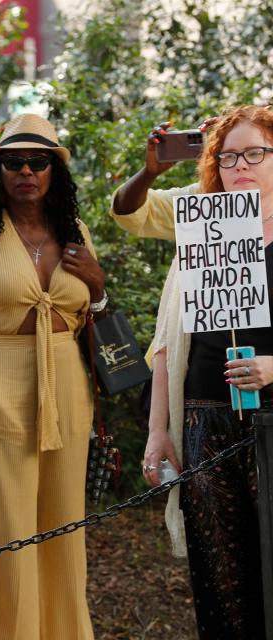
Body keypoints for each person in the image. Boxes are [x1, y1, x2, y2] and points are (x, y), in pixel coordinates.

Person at [0, 113, 105, 639]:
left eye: (39, 161)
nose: (26, 171)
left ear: (55, 171)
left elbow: (93, 315)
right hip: (1, 380)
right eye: (14, 161)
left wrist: (98, 285)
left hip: (67, 384)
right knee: (8, 528)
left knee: (64, 526)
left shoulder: (73, 231)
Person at [142, 105, 273, 637]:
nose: (239, 165)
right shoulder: (204, 229)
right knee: (221, 577)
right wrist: (158, 430)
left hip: (271, 421)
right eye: (227, 156)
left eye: (255, 153)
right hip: (202, 421)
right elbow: (169, 342)